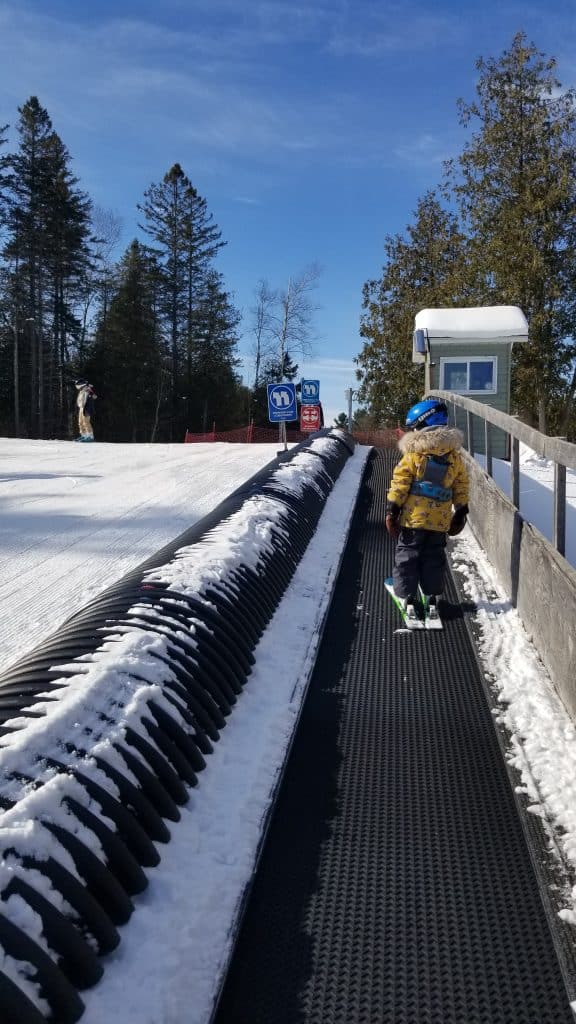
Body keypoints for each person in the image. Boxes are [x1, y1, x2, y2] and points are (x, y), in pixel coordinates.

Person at [385, 398, 469, 620]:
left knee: (407, 558)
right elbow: (461, 484)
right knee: (434, 558)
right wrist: (461, 510)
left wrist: (393, 509)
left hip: (413, 520)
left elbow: (401, 483)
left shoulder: (413, 455)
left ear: (421, 425)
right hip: (439, 523)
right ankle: (432, 598)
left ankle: (408, 599)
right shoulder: (454, 457)